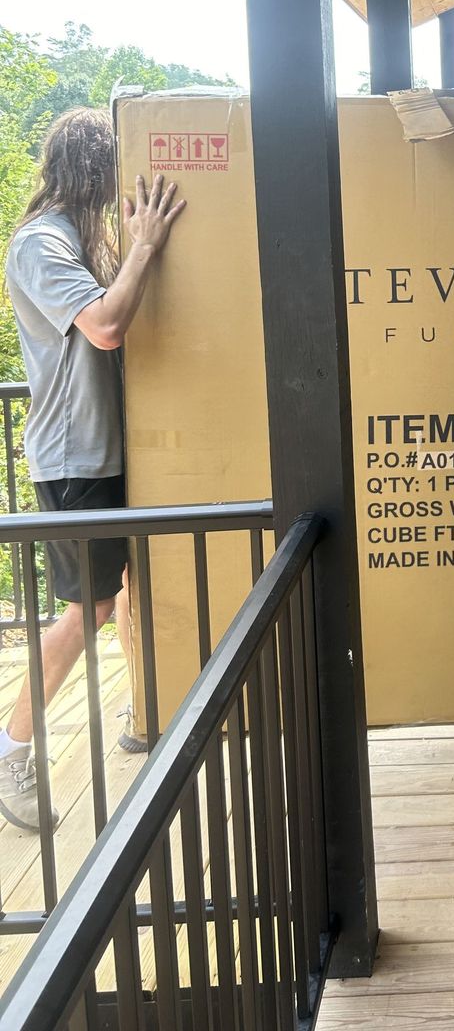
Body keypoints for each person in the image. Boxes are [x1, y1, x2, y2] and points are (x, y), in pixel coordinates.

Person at [0, 109, 185, 831]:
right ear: (93, 169)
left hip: (106, 448)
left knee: (128, 590)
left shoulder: (79, 236)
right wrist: (143, 247)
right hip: (74, 457)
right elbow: (105, 327)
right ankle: (13, 747)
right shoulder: (42, 243)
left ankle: (149, 707)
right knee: (90, 610)